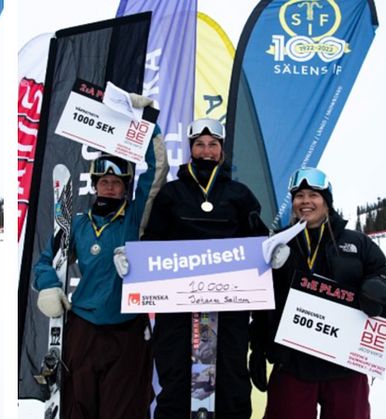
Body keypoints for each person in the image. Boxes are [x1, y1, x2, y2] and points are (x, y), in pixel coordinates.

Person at [34, 124, 168, 418]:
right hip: (85, 326)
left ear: (125, 187)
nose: (109, 186)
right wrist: (47, 286)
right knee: (78, 406)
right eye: (104, 180)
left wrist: (147, 124)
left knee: (124, 409)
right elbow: (46, 261)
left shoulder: (134, 218)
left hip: (128, 328)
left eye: (117, 182)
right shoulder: (77, 224)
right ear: (95, 185)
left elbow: (157, 171)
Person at [142, 118, 268, 419]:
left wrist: (269, 250)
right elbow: (152, 241)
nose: (207, 150)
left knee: (231, 378)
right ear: (190, 150)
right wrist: (134, 259)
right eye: (200, 144)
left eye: (213, 144)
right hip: (178, 308)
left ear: (221, 150)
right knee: (175, 378)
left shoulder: (239, 193)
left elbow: (259, 241)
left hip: (229, 307)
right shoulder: (171, 194)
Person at [249, 167, 386, 419]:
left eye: (314, 195)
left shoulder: (357, 243)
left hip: (345, 364)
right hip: (292, 362)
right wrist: (257, 348)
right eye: (299, 196)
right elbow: (261, 299)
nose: (305, 201)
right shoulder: (277, 243)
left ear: (327, 201)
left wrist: (377, 286)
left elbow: (381, 274)